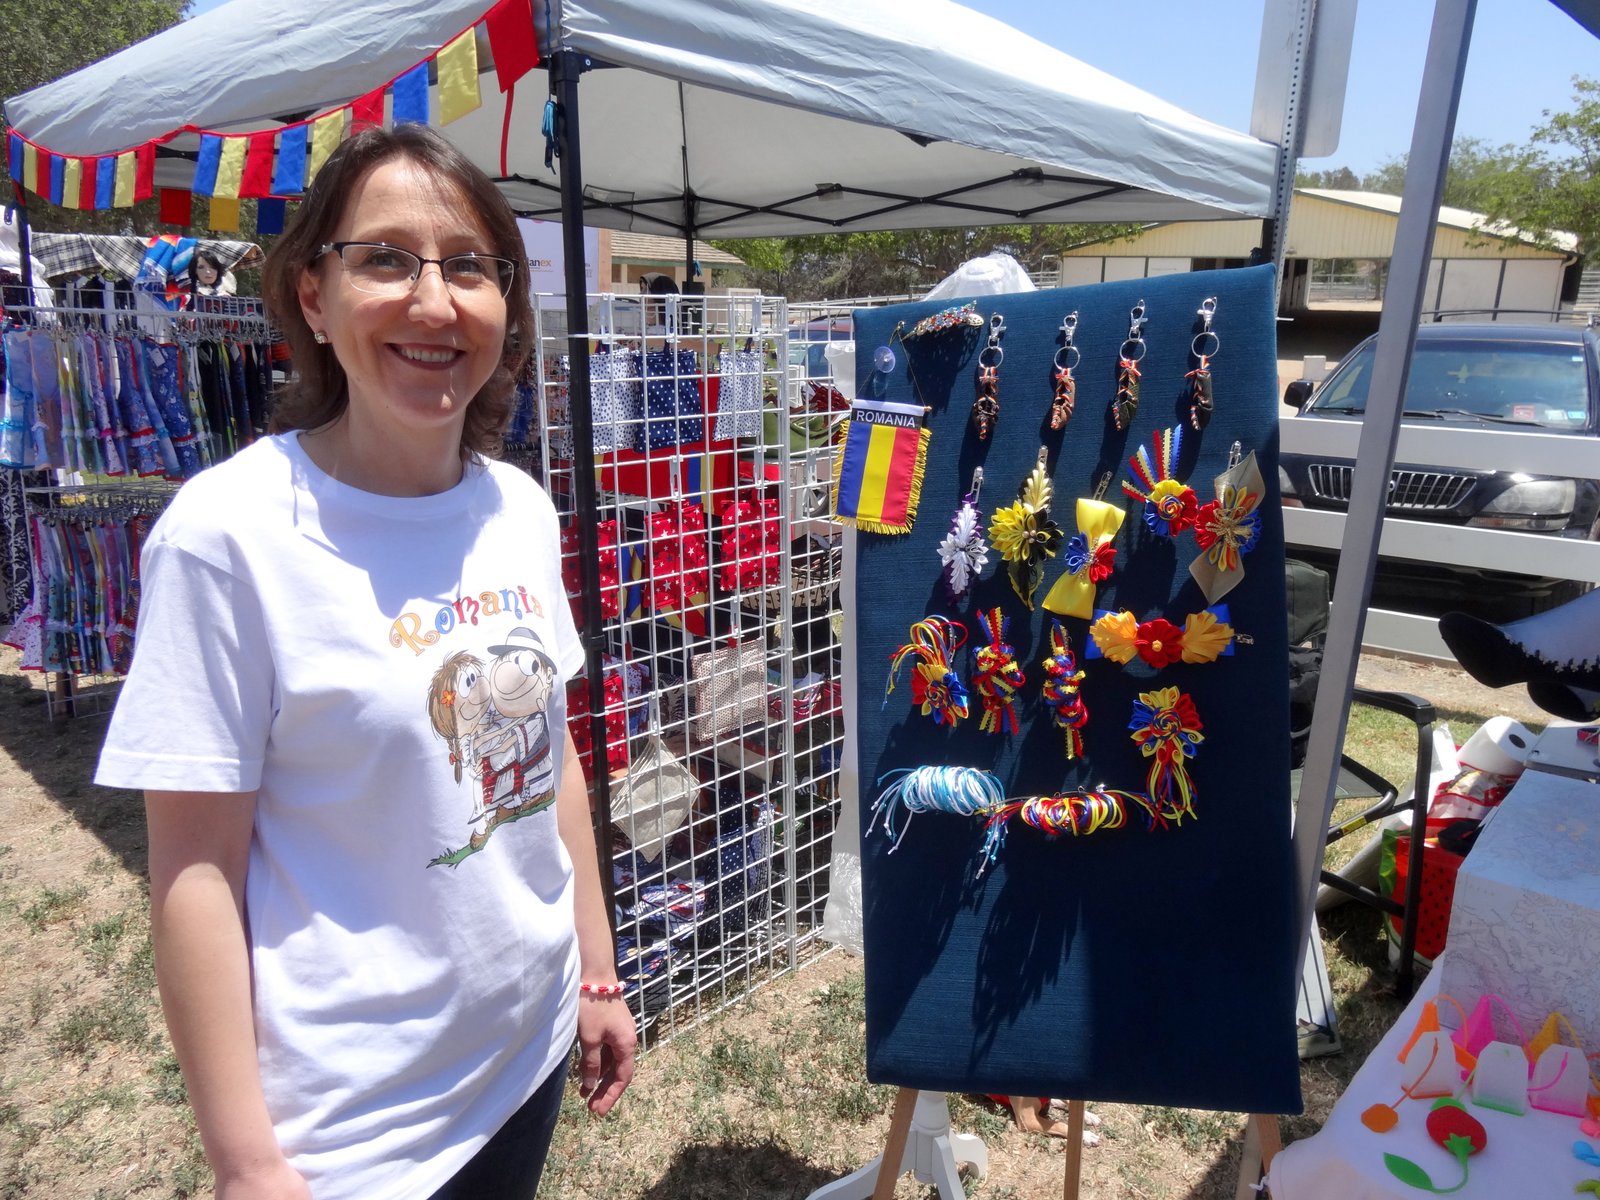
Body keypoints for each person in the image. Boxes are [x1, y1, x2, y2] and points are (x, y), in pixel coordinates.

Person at [95, 123, 634, 1200]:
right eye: (385, 258)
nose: (434, 303)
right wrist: (246, 1162)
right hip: (358, 1129)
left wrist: (595, 969)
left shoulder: (518, 507)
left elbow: (554, 759)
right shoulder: (230, 537)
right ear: (313, 295)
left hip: (525, 1051)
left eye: (469, 266)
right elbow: (194, 874)